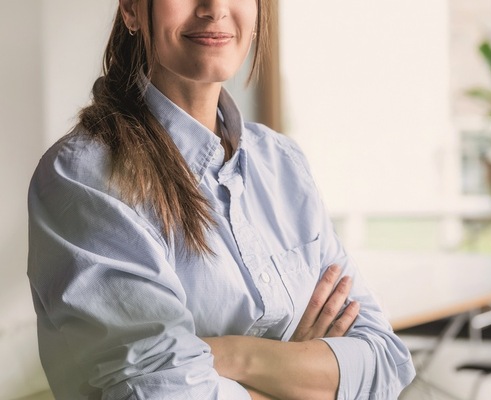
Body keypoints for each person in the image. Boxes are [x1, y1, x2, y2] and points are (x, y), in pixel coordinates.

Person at [27, 0, 415, 399]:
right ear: (131, 9)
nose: (214, 8)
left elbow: (384, 361)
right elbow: (161, 393)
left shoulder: (282, 163)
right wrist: (295, 373)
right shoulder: (85, 178)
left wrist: (231, 356)